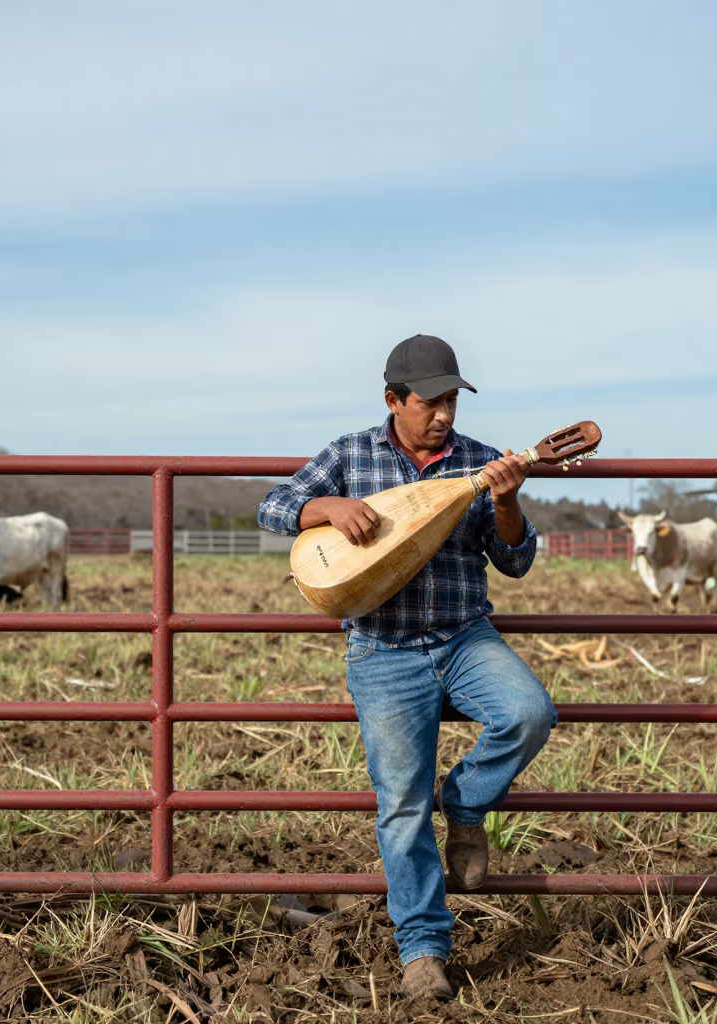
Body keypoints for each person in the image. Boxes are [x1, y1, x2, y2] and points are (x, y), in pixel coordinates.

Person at [257, 335, 556, 1000]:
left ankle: (467, 801)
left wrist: (507, 502)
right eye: (430, 401)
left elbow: (515, 561)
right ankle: (423, 950)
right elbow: (273, 506)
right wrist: (326, 507)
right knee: (400, 806)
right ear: (393, 399)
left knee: (529, 712)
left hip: (463, 636)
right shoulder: (350, 454)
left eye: (451, 399)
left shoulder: (481, 462)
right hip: (383, 648)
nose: (443, 413)